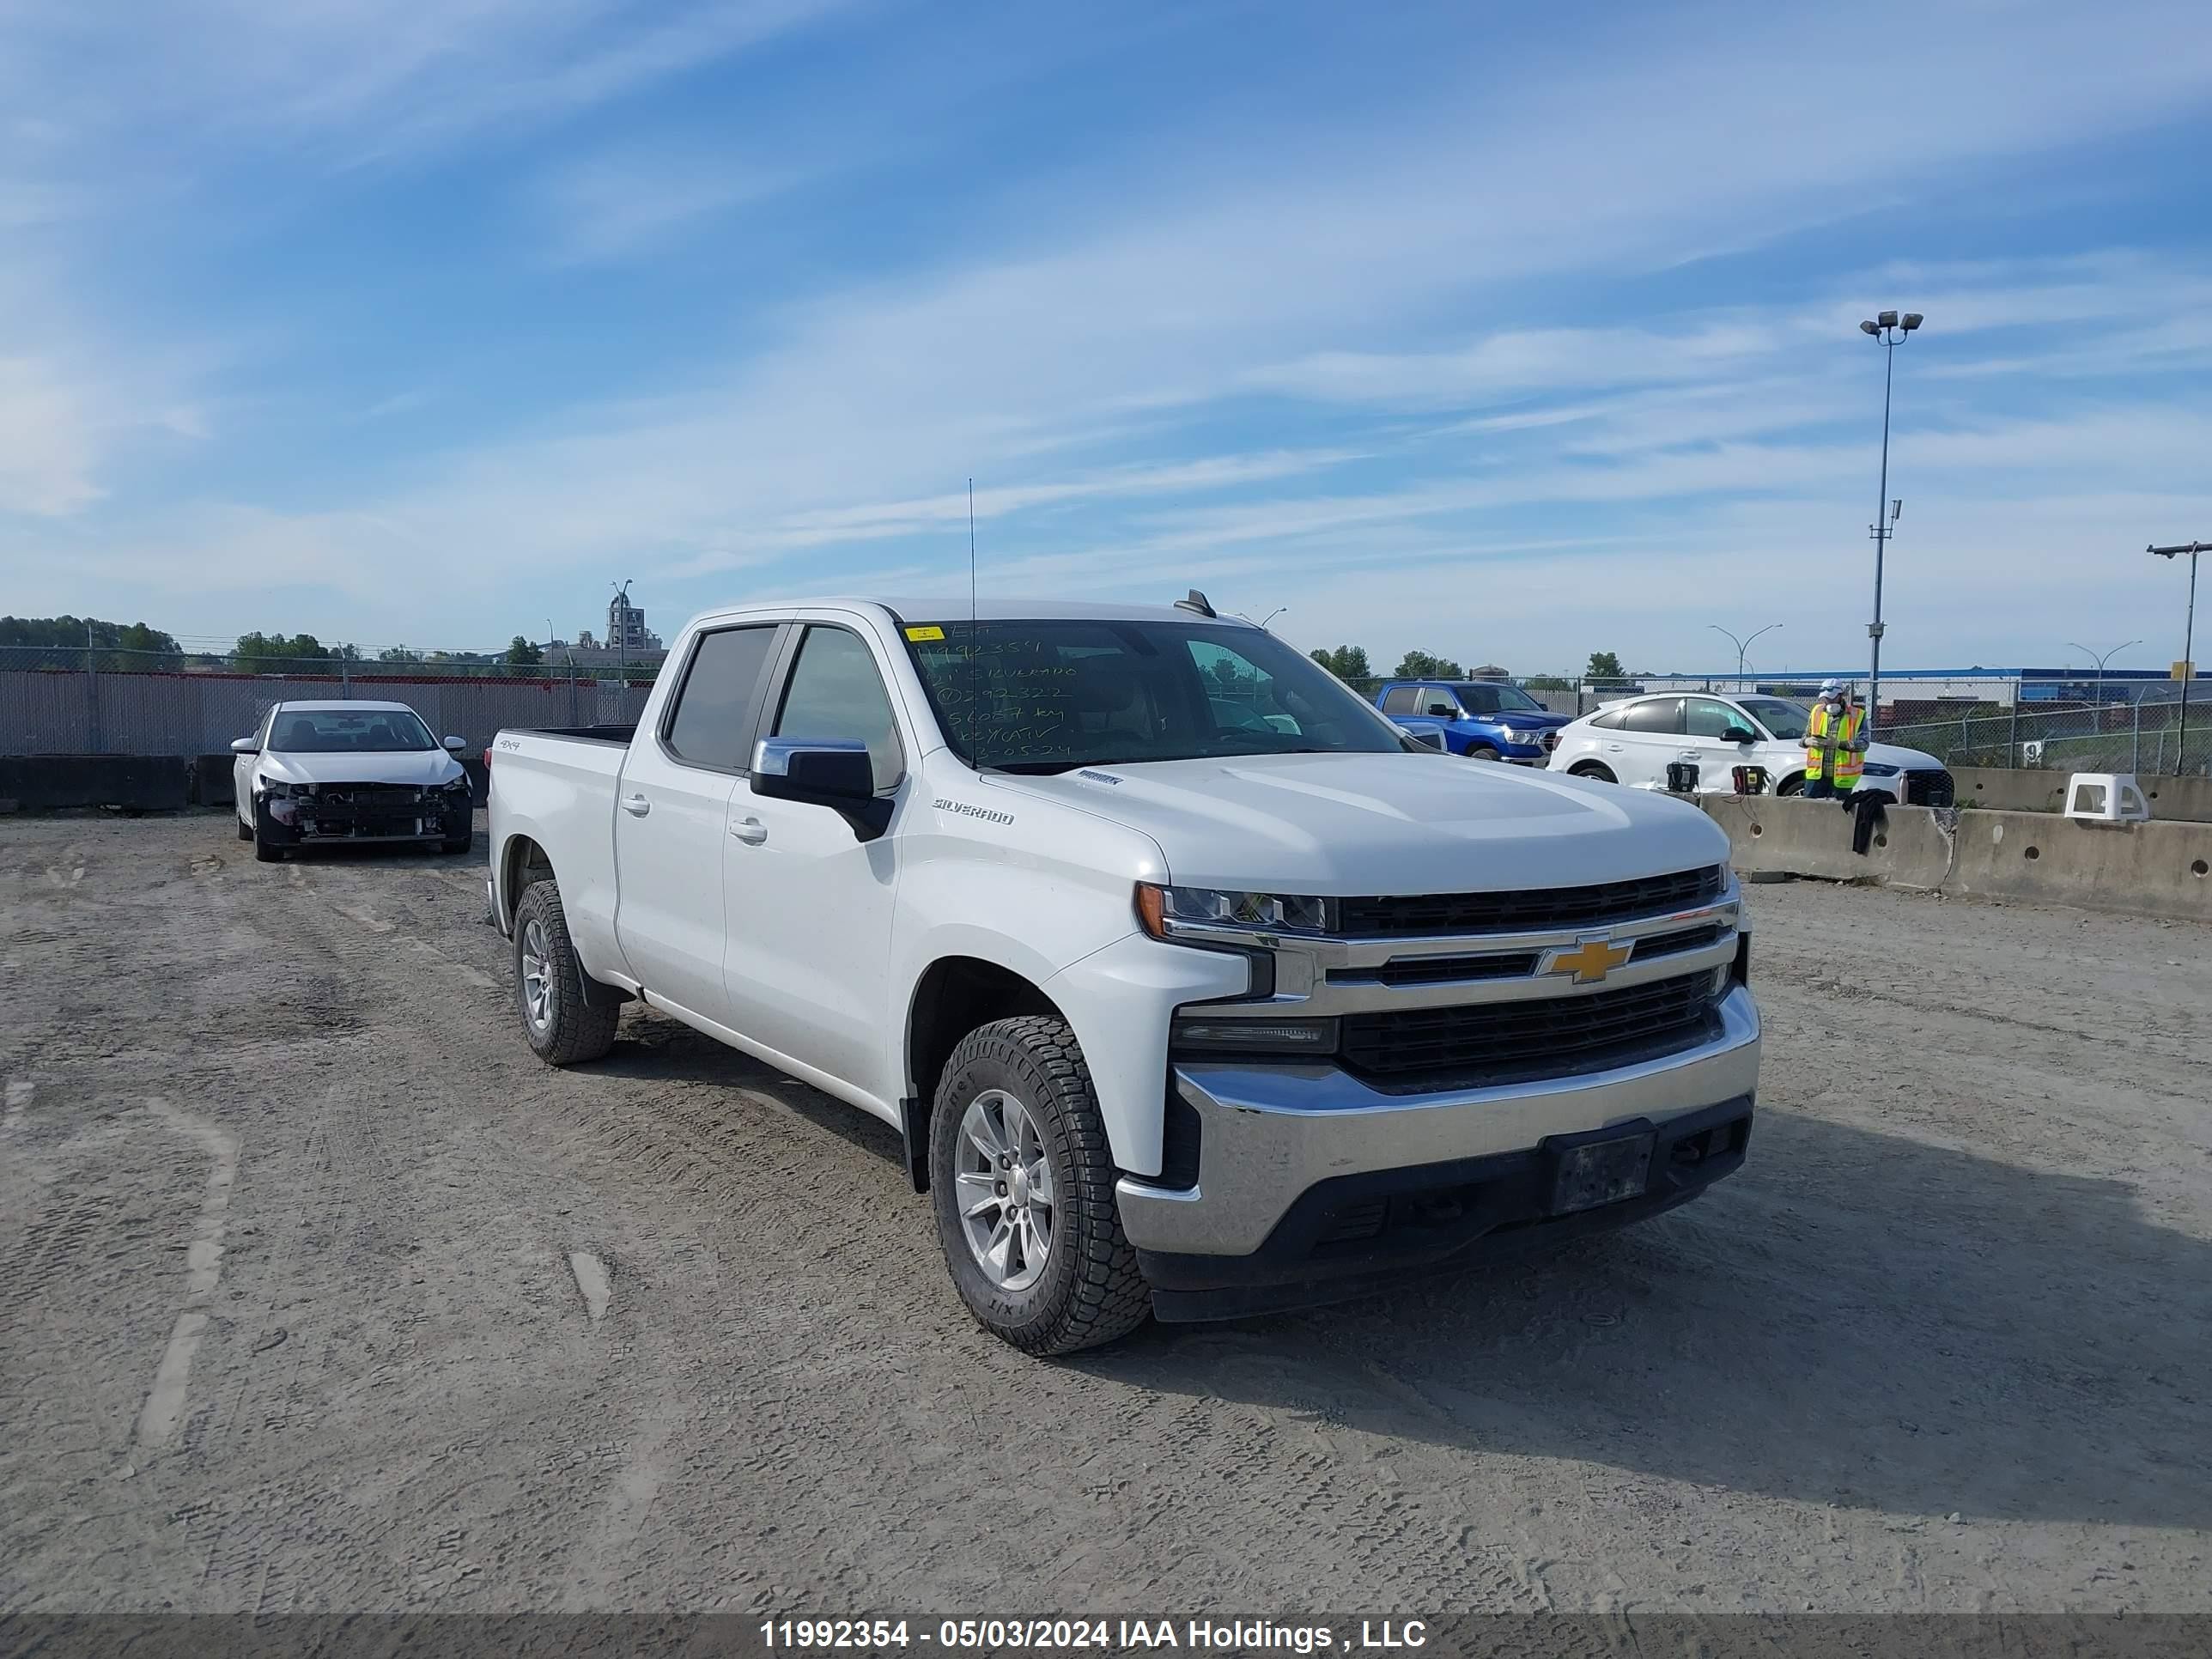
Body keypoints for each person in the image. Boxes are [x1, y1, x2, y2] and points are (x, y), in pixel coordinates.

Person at [1802, 679, 1866, 800]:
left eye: (1831, 698)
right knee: (1810, 813)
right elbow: (1804, 738)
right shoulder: (1816, 712)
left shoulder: (1857, 715)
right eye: (1825, 698)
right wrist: (1807, 741)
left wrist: (1839, 744)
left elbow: (1864, 744)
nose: (1827, 702)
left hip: (1842, 779)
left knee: (1839, 816)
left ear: (1841, 696)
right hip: (1816, 776)